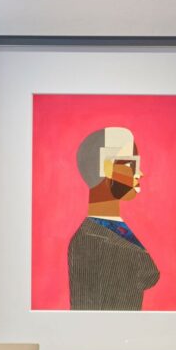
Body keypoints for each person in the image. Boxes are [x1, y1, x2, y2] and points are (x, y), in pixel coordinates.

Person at [65, 125, 161, 311]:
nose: (139, 173)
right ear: (108, 168)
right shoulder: (88, 240)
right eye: (131, 164)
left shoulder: (111, 230)